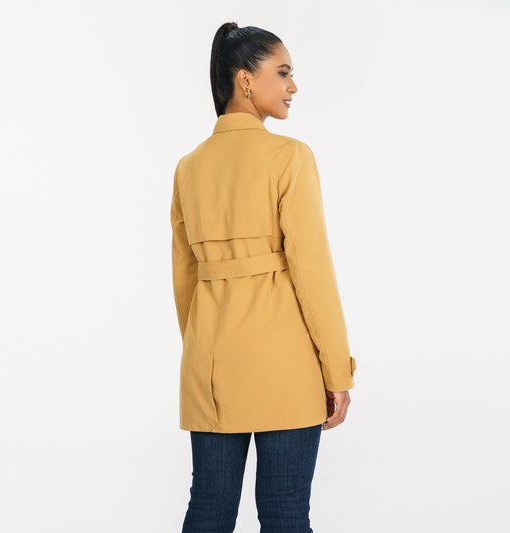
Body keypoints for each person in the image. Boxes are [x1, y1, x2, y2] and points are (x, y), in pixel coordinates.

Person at [170, 21, 357, 533]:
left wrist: (202, 350)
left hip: (210, 366)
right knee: (285, 512)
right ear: (245, 80)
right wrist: (337, 372)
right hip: (285, 364)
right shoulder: (289, 157)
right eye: (283, 72)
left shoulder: (189, 167)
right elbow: (312, 271)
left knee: (209, 509)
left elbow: (185, 279)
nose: (293, 86)